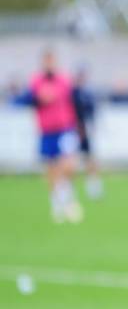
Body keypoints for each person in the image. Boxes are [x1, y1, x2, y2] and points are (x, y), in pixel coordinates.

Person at [15, 50, 83, 223]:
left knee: (68, 164)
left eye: (52, 61)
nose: (49, 64)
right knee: (51, 168)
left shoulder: (64, 80)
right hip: (46, 130)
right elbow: (24, 100)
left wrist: (80, 125)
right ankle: (57, 204)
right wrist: (39, 98)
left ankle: (67, 197)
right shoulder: (36, 81)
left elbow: (76, 102)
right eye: (46, 61)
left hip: (65, 128)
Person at [72, 66, 104, 200]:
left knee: (89, 158)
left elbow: (92, 113)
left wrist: (91, 128)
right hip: (72, 130)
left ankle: (93, 186)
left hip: (85, 130)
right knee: (70, 160)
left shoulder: (88, 94)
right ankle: (67, 189)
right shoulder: (72, 93)